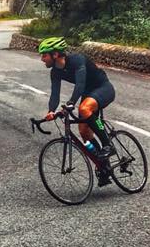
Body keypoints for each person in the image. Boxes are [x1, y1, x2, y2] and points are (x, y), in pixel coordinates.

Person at [38, 36, 116, 171]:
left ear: (55, 54)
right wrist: (51, 110)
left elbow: (80, 84)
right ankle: (104, 166)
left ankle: (108, 145)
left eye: (44, 55)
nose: (42, 59)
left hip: (103, 88)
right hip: (88, 93)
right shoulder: (55, 72)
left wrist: (71, 103)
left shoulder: (77, 60)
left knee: (84, 108)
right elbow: (55, 94)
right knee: (84, 132)